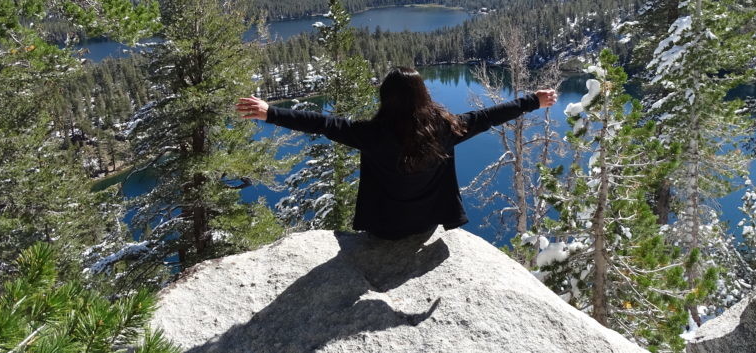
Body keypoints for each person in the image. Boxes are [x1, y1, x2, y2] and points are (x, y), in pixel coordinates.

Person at [237, 66, 557, 240]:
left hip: (385, 230)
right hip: (426, 226)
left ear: (386, 99)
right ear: (424, 96)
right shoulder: (446, 130)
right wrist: (534, 101)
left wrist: (271, 113)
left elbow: (323, 123)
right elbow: (491, 116)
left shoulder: (371, 135)